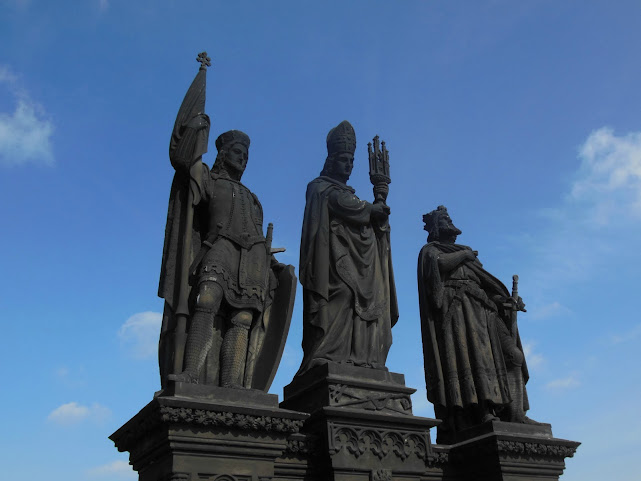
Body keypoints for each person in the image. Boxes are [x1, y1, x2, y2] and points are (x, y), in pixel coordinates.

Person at [159, 120, 279, 388]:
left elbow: (257, 230)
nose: (243, 159)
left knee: (242, 318)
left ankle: (231, 384)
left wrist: (272, 262)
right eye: (238, 152)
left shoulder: (252, 197)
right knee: (206, 300)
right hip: (220, 247)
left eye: (246, 155)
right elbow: (184, 162)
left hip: (253, 259)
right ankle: (191, 372)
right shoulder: (209, 179)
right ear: (223, 154)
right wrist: (195, 130)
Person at [418, 206, 538, 442]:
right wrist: (465, 255)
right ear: (436, 227)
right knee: (475, 361)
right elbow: (439, 266)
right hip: (459, 313)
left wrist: (506, 301)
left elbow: (487, 286)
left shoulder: (468, 255)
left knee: (513, 355)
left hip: (485, 311)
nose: (449, 222)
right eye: (444, 219)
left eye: (449, 218)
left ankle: (516, 414)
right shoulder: (431, 251)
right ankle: (483, 410)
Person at [297, 120, 398, 375]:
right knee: (342, 295)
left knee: (368, 302)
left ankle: (363, 358)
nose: (349, 165)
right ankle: (326, 354)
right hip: (332, 264)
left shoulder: (350, 195)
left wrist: (379, 205)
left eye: (352, 161)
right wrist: (371, 209)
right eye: (344, 160)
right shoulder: (320, 187)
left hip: (359, 263)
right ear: (331, 161)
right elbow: (340, 203)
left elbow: (370, 221)